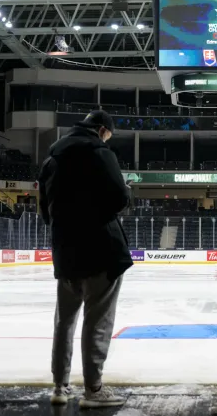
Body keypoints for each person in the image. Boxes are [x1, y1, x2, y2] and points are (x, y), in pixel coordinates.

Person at [37, 110, 132, 408]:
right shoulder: (100, 153)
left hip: (66, 251)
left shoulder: (51, 159)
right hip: (101, 250)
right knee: (97, 321)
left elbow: (44, 211)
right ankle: (93, 389)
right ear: (103, 130)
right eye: (108, 135)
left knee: (64, 321)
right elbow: (119, 198)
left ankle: (59, 387)